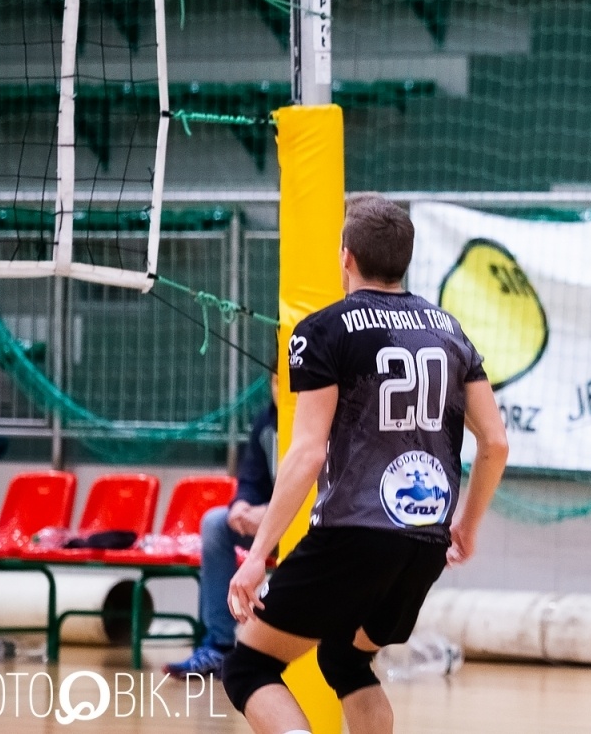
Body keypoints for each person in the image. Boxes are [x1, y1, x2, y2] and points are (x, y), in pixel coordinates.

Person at [219, 194, 511, 734]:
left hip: (351, 535)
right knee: (344, 659)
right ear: (404, 260)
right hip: (424, 543)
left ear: (346, 256)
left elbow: (308, 452)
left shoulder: (323, 329)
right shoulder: (450, 330)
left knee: (248, 667)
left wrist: (258, 556)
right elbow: (495, 442)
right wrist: (466, 526)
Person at [165, 378, 278, 677]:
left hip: (312, 524)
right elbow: (251, 478)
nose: (280, 389)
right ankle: (220, 644)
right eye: (275, 382)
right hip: (270, 526)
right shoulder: (266, 421)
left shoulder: (321, 415)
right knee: (215, 522)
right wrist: (241, 505)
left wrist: (271, 513)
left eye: (286, 381)